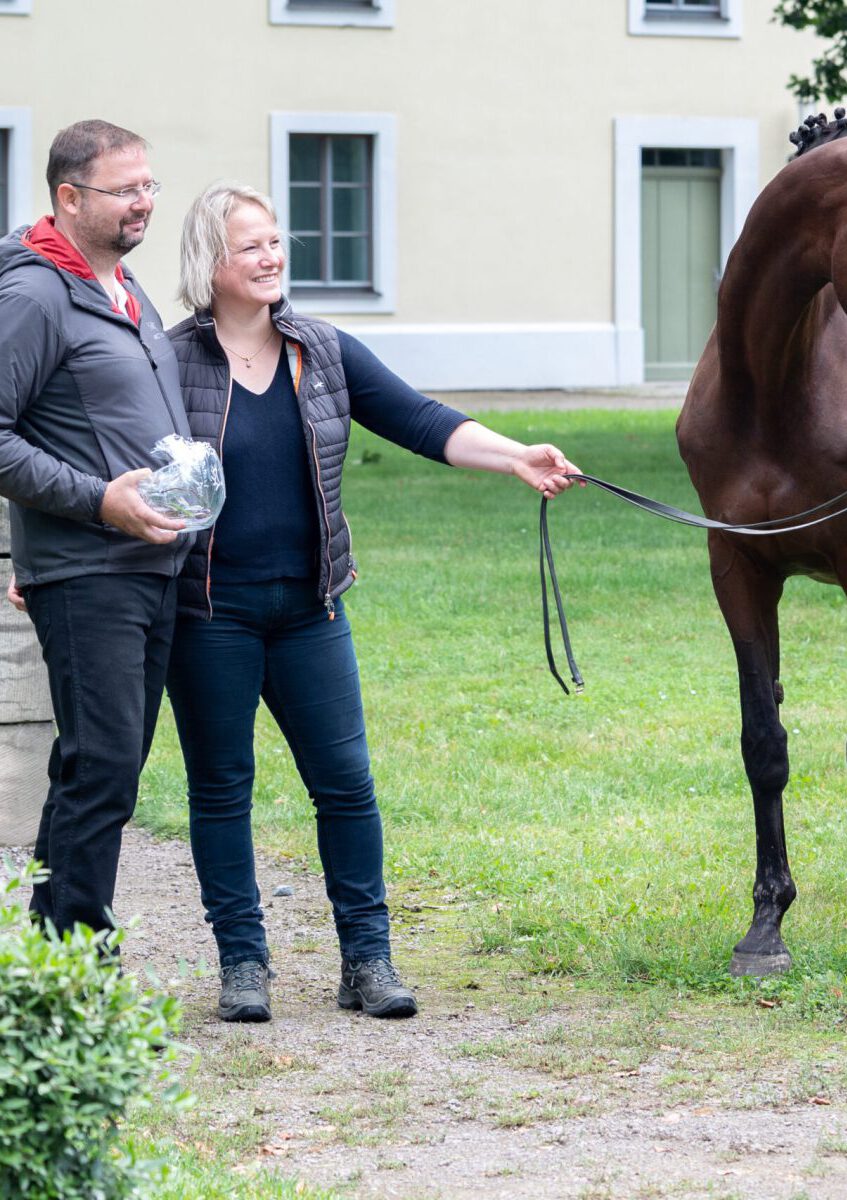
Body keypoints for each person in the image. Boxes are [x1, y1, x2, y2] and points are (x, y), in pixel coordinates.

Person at [164, 182, 579, 1023]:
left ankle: (367, 960)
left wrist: (516, 457)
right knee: (221, 787)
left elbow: (421, 419)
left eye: (277, 242)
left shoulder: (321, 349)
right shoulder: (168, 363)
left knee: (347, 784)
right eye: (253, 246)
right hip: (210, 613)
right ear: (211, 261)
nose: (273, 256)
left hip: (311, 608)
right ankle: (244, 965)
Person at [0, 121, 190, 940]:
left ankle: (56, 963)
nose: (144, 202)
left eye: (149, 185)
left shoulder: (124, 285)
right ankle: (80, 964)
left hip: (148, 567)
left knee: (103, 769)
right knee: (101, 767)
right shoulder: (35, 293)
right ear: (69, 197)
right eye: (126, 189)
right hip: (88, 568)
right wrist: (95, 501)